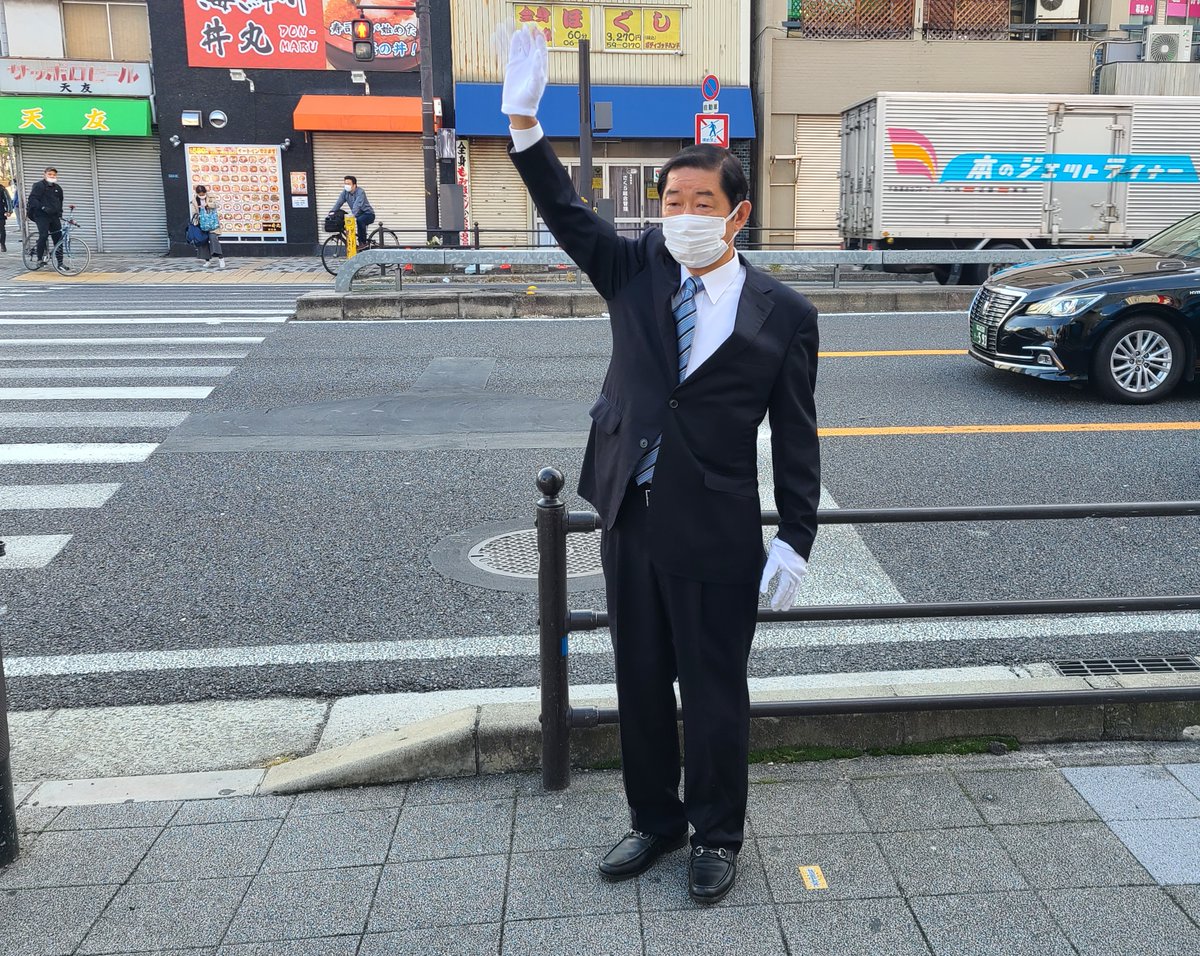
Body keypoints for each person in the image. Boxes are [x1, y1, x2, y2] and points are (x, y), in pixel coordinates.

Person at [503, 26, 820, 907]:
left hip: (716, 525)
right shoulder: (635, 266)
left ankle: (717, 833)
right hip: (629, 516)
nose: (680, 213)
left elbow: (797, 434)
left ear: (737, 214)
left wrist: (796, 536)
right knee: (639, 679)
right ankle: (656, 820)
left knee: (714, 692)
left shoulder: (784, 314)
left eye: (699, 200)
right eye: (670, 198)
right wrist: (525, 125)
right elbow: (567, 211)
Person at [27, 167, 64, 267]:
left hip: (54, 216)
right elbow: (32, 199)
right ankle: (39, 259)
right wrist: (43, 207)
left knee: (58, 238)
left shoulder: (58, 188)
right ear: (45, 174)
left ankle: (60, 263)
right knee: (43, 235)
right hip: (41, 215)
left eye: (54, 175)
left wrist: (60, 212)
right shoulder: (39, 185)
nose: (52, 176)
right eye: (50, 174)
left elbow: (60, 201)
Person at [328, 175, 375, 246]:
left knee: (360, 220)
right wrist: (332, 212)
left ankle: (363, 243)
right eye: (345, 184)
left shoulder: (360, 192)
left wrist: (351, 214)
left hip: (368, 214)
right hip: (357, 214)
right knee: (343, 218)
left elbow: (357, 205)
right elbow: (339, 203)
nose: (346, 186)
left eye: (348, 184)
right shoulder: (345, 192)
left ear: (354, 185)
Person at [196, 194, 226, 270]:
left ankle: (221, 258)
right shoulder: (195, 199)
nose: (201, 194)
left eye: (202, 192)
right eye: (199, 193)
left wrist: (207, 205)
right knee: (203, 242)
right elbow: (194, 211)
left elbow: (216, 205)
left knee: (213, 239)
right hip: (201, 224)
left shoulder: (210, 197)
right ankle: (207, 261)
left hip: (212, 224)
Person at [0, 179, 12, 253]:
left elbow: (8, 200)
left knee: (1, 229)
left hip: (0, 213)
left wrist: (9, 210)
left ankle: (2, 244)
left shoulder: (2, 189)